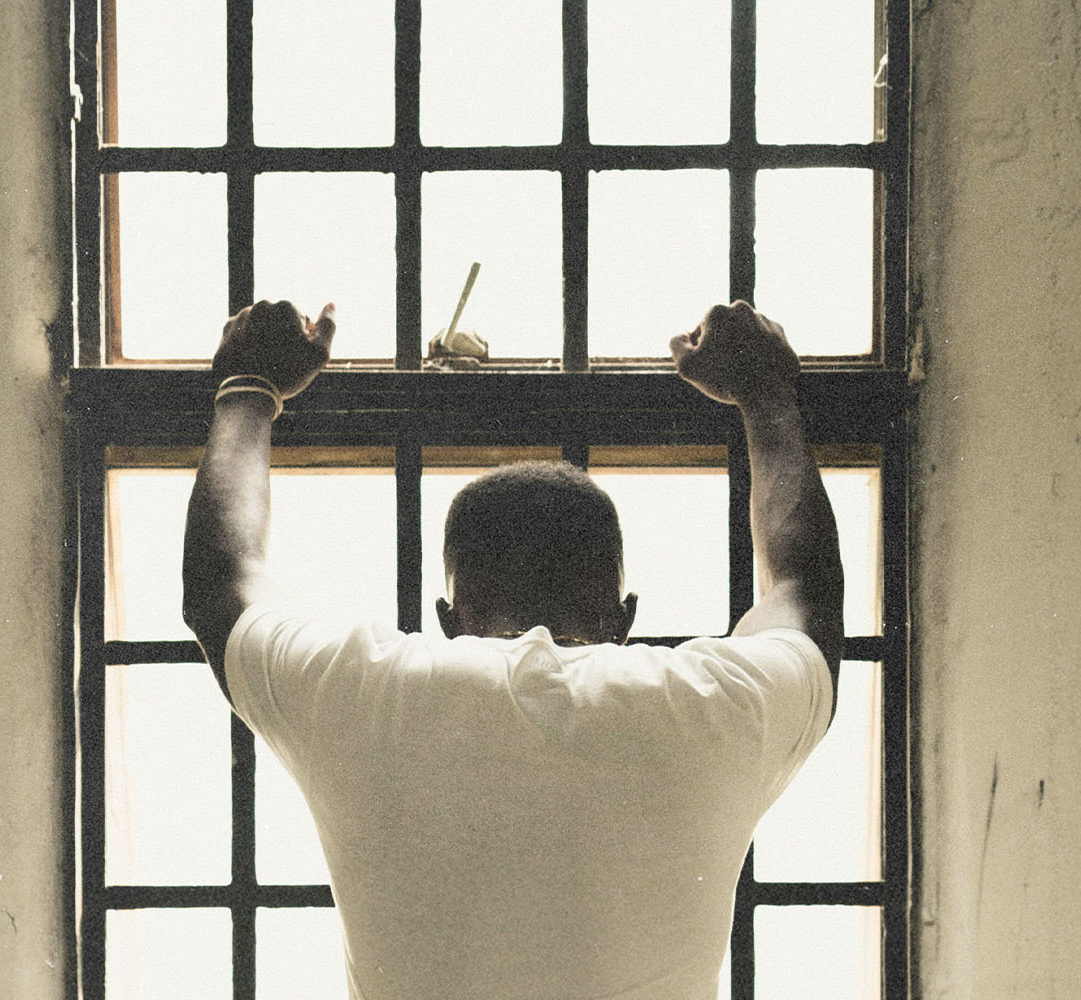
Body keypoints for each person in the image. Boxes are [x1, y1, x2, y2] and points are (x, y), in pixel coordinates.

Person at [182, 299, 844, 1000]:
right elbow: (804, 591)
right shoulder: (711, 702)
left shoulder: (367, 690)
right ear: (623, 618)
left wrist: (249, 385)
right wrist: (766, 391)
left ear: (448, 618)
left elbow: (221, 581)